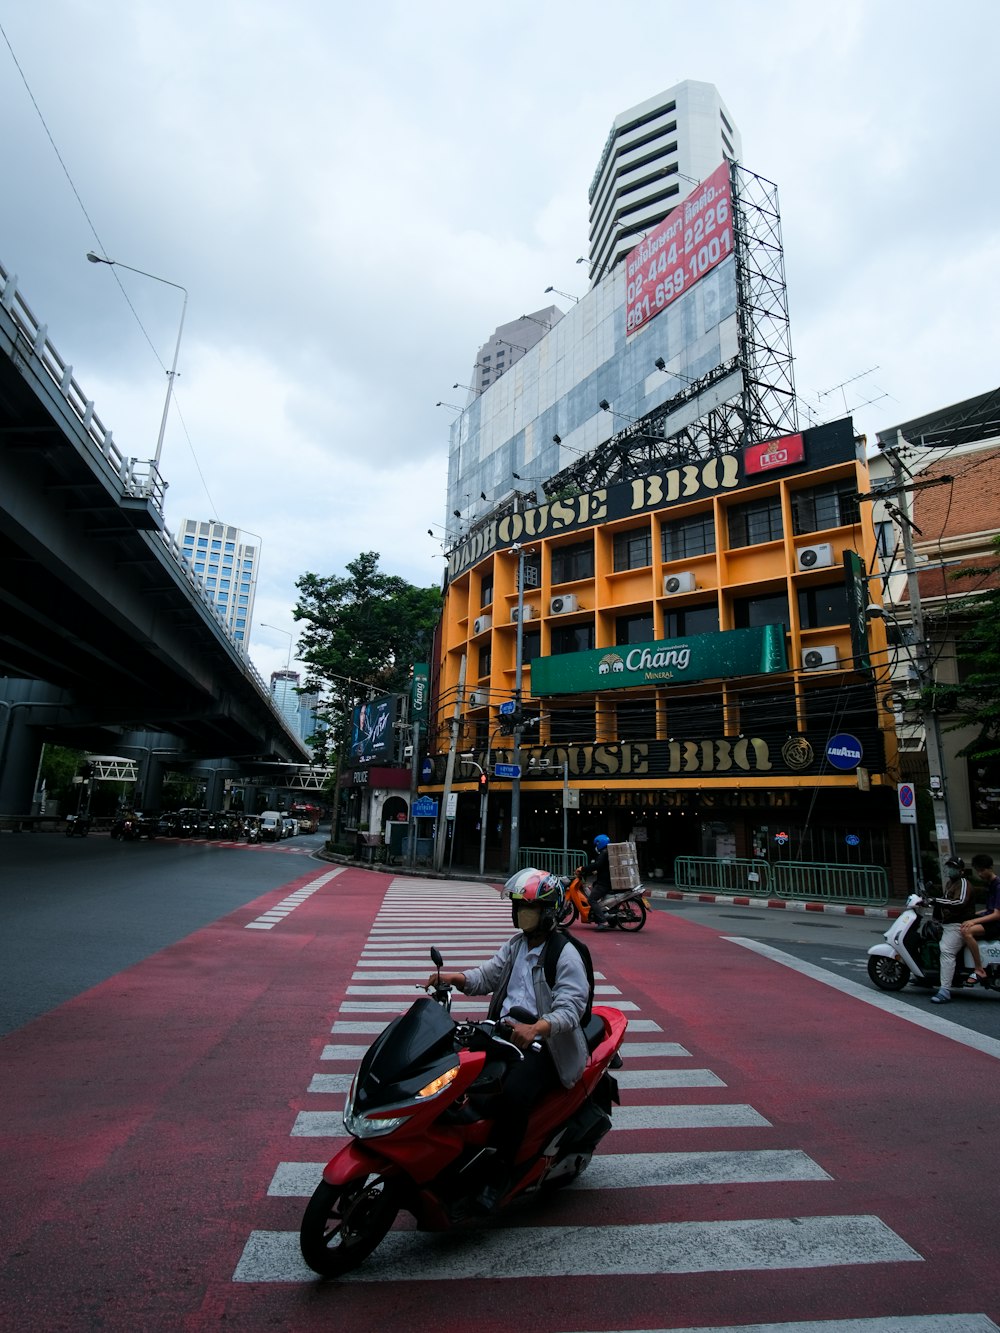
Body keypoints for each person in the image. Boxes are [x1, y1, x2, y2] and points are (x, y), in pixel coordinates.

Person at [426, 869, 589, 1212]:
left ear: (548, 912)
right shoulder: (516, 946)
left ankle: (499, 1175)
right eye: (518, 907)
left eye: (528, 908)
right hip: (503, 1034)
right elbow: (488, 975)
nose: (520, 914)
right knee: (450, 1071)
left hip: (546, 1046)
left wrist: (538, 1028)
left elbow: (572, 1008)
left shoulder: (565, 953)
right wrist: (454, 977)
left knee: (512, 1096)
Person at [929, 856, 977, 1003]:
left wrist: (935, 900)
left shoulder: (963, 883)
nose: (950, 870)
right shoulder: (951, 883)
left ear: (961, 871)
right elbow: (944, 900)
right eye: (949, 867)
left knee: (947, 951)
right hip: (948, 923)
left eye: (954, 867)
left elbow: (959, 902)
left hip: (958, 924)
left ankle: (945, 990)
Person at [961, 854, 1000, 983]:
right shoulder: (990, 884)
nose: (980, 874)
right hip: (992, 920)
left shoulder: (998, 886)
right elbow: (989, 909)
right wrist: (973, 916)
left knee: (967, 931)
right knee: (962, 922)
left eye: (982, 870)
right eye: (978, 871)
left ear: (990, 868)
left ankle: (979, 969)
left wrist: (973, 921)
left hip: (997, 924)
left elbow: (996, 914)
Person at [575, 832, 613, 929]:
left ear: (600, 844)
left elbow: (596, 865)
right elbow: (601, 867)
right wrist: (592, 872)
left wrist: (583, 869)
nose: (595, 847)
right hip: (606, 880)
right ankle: (606, 914)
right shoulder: (608, 852)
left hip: (604, 883)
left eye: (596, 844)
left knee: (591, 899)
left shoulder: (603, 854)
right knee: (594, 888)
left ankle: (603, 921)